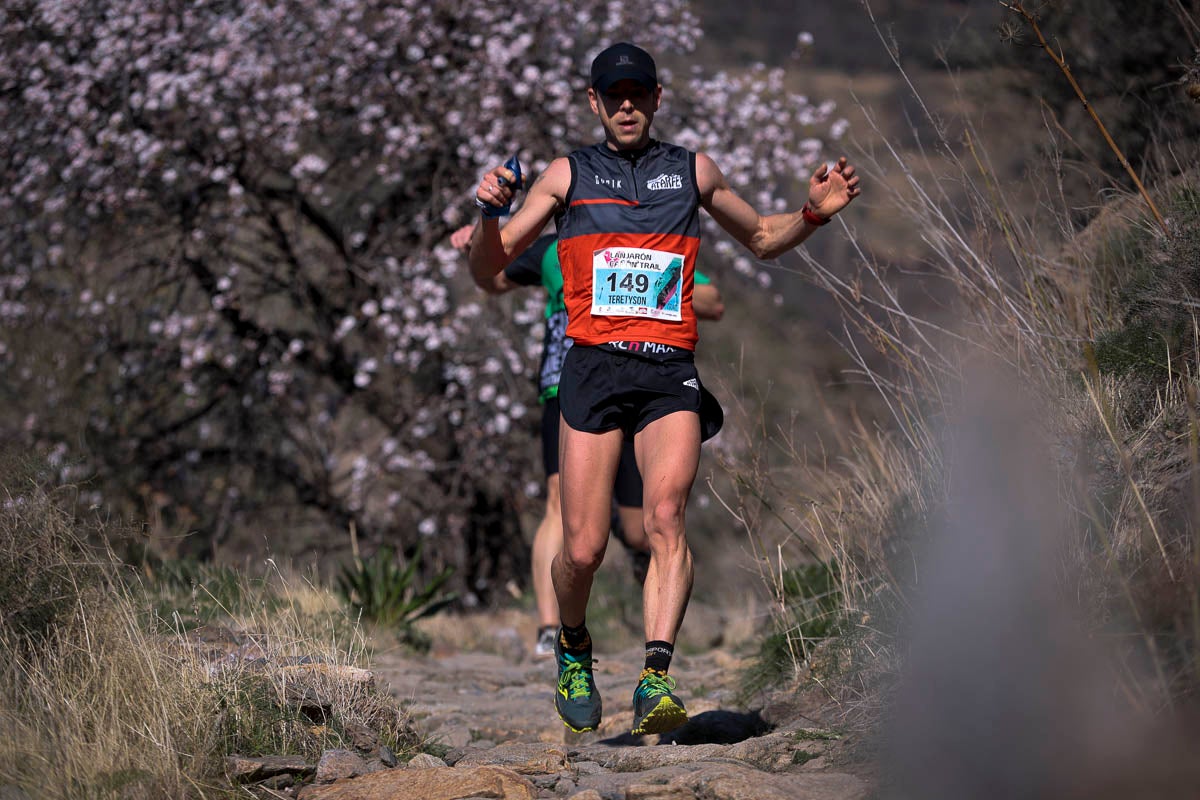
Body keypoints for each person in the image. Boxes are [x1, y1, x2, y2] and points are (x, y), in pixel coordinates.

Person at [468, 42, 860, 736]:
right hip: (593, 370)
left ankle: (655, 679)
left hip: (665, 371)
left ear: (656, 97)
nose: (626, 106)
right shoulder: (566, 175)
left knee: (665, 517)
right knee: (582, 549)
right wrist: (490, 215)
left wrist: (813, 213)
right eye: (613, 95)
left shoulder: (692, 170)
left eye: (638, 93)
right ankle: (573, 647)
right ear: (594, 102)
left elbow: (761, 237)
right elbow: (489, 269)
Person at [451, 224, 724, 659]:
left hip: (644, 389)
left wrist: (646, 288)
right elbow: (492, 279)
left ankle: (637, 566)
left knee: (643, 527)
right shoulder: (551, 250)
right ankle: (550, 629)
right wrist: (479, 242)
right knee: (558, 503)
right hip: (568, 388)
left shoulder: (648, 245)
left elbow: (713, 302)